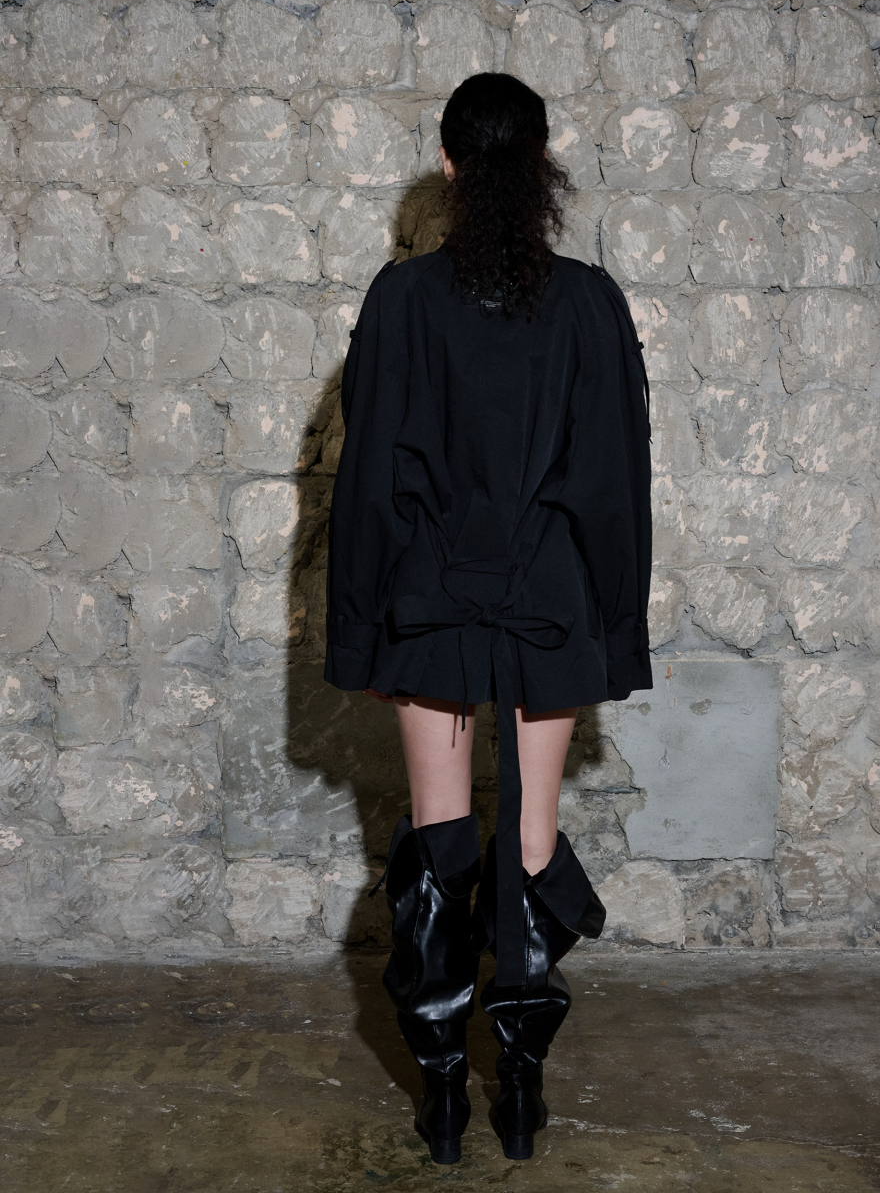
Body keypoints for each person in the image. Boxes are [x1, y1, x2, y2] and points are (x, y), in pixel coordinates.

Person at [324, 71, 653, 1165]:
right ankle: (518, 1092)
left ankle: (440, 1099)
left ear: (449, 165)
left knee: (440, 839)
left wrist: (365, 628)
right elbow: (615, 484)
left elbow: (367, 481)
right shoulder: (590, 303)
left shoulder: (401, 299)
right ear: (544, 160)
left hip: (430, 605)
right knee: (530, 839)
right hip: (549, 606)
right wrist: (612, 628)